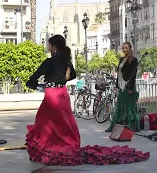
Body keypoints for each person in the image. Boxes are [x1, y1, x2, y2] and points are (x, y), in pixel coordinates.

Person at [25, 35, 149, 166]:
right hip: (62, 94)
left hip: (51, 95)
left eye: (49, 45)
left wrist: (38, 83)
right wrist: (61, 80)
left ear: (54, 46)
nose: (48, 48)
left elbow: (33, 79)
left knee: (44, 123)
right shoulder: (66, 61)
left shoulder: (49, 62)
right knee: (64, 122)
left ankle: (47, 149)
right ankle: (66, 145)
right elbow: (72, 75)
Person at [105, 42, 139, 132]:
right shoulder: (121, 59)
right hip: (121, 85)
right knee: (120, 105)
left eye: (126, 48)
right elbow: (119, 73)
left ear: (130, 48)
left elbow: (133, 74)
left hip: (128, 86)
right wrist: (116, 85)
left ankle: (130, 125)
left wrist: (131, 88)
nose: (124, 50)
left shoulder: (134, 60)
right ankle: (117, 125)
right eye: (123, 48)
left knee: (129, 107)